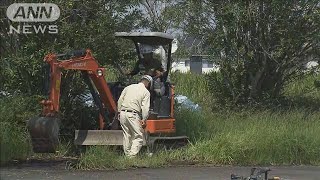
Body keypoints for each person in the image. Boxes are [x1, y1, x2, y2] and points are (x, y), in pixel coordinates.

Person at [117, 75, 153, 158]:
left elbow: (120, 100)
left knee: (127, 135)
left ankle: (127, 155)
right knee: (139, 136)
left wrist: (119, 112)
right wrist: (144, 119)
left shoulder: (128, 87)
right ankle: (131, 157)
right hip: (133, 114)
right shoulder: (146, 92)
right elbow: (145, 108)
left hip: (122, 113)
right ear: (148, 83)